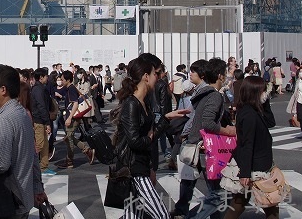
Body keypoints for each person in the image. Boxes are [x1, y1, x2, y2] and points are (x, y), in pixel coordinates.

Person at [115, 54, 189, 218]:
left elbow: (149, 135)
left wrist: (166, 118)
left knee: (133, 215)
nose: (159, 77)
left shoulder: (143, 102)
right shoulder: (131, 104)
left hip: (140, 167)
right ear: (146, 77)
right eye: (156, 74)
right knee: (162, 215)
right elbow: (135, 141)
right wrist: (150, 137)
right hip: (133, 171)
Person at [0, 64, 47, 218]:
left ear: (3, 90)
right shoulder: (21, 112)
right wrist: (37, 187)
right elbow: (33, 155)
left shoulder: (5, 119)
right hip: (24, 195)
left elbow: (1, 164)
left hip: (11, 197)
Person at [183, 58, 236, 219]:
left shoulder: (204, 93)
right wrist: (228, 131)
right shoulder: (214, 96)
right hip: (206, 149)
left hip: (199, 147)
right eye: (225, 74)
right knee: (219, 195)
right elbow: (207, 123)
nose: (227, 77)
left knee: (216, 193)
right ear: (220, 76)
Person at [223, 76, 277, 219]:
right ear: (254, 92)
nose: (265, 93)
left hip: (257, 164)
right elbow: (246, 144)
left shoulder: (253, 109)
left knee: (239, 203)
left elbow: (271, 122)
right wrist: (245, 173)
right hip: (255, 166)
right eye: (263, 91)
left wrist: (265, 103)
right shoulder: (249, 114)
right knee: (270, 206)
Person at [57, 70, 95, 168]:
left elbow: (75, 103)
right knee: (69, 138)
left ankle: (70, 161)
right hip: (72, 117)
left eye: (62, 79)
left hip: (73, 117)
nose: (61, 81)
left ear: (68, 80)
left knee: (69, 139)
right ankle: (87, 151)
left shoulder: (71, 89)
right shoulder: (70, 88)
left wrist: (69, 118)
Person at [31, 68, 55, 175]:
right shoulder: (38, 90)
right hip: (39, 120)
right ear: (41, 77)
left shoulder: (41, 88)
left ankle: (44, 167)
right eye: (46, 76)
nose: (47, 78)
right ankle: (30, 165)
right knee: (40, 144)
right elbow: (41, 106)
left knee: (45, 144)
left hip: (42, 120)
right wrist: (47, 122)